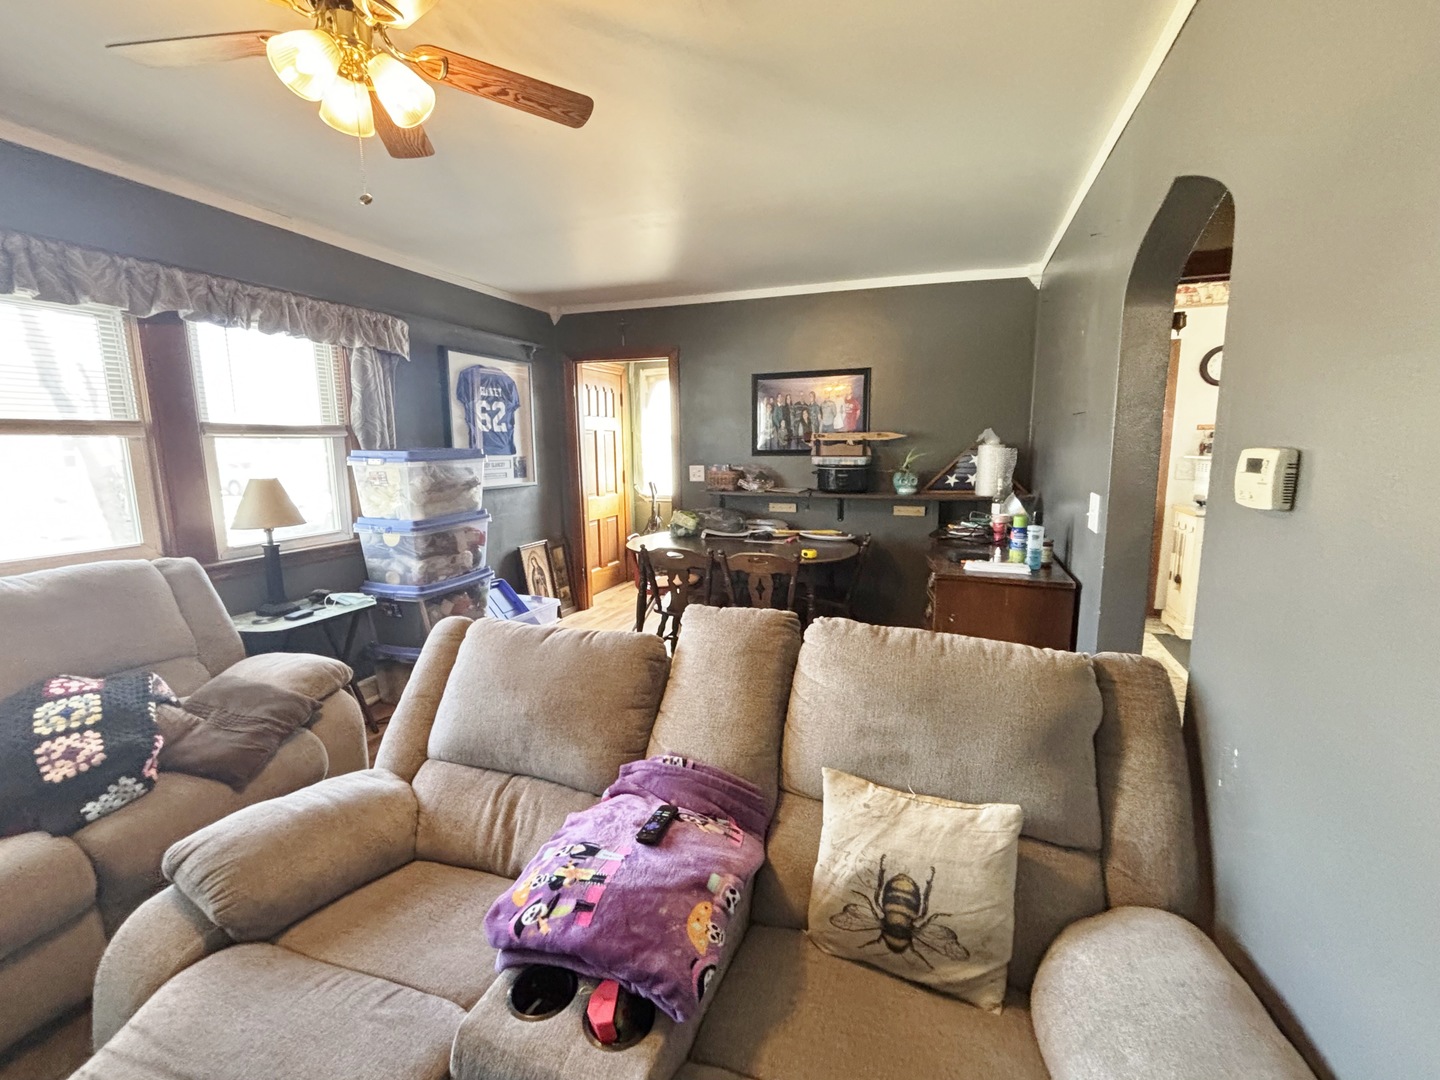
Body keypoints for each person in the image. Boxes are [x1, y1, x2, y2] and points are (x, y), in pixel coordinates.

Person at [456, 363, 521, 455]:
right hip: (504, 446)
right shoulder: (507, 381)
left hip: (480, 446)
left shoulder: (469, 376)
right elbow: (514, 405)